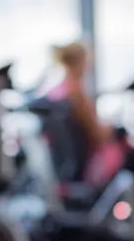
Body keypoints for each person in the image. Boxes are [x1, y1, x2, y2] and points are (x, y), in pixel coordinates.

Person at [44, 40, 128, 187]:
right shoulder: (76, 94)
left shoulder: (56, 91)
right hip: (89, 162)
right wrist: (114, 128)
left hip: (66, 162)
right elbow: (97, 134)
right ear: (81, 62)